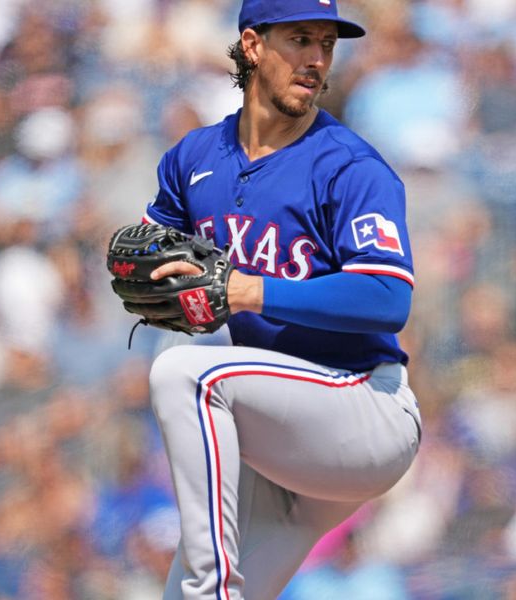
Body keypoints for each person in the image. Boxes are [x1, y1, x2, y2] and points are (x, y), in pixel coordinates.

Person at [141, 1, 422, 598]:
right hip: (281, 436)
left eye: (327, 43)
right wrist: (151, 278)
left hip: (363, 411)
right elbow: (150, 250)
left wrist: (248, 291)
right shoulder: (194, 159)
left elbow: (386, 296)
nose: (317, 59)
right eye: (300, 39)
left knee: (187, 376)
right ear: (252, 45)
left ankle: (209, 588)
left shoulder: (349, 166)